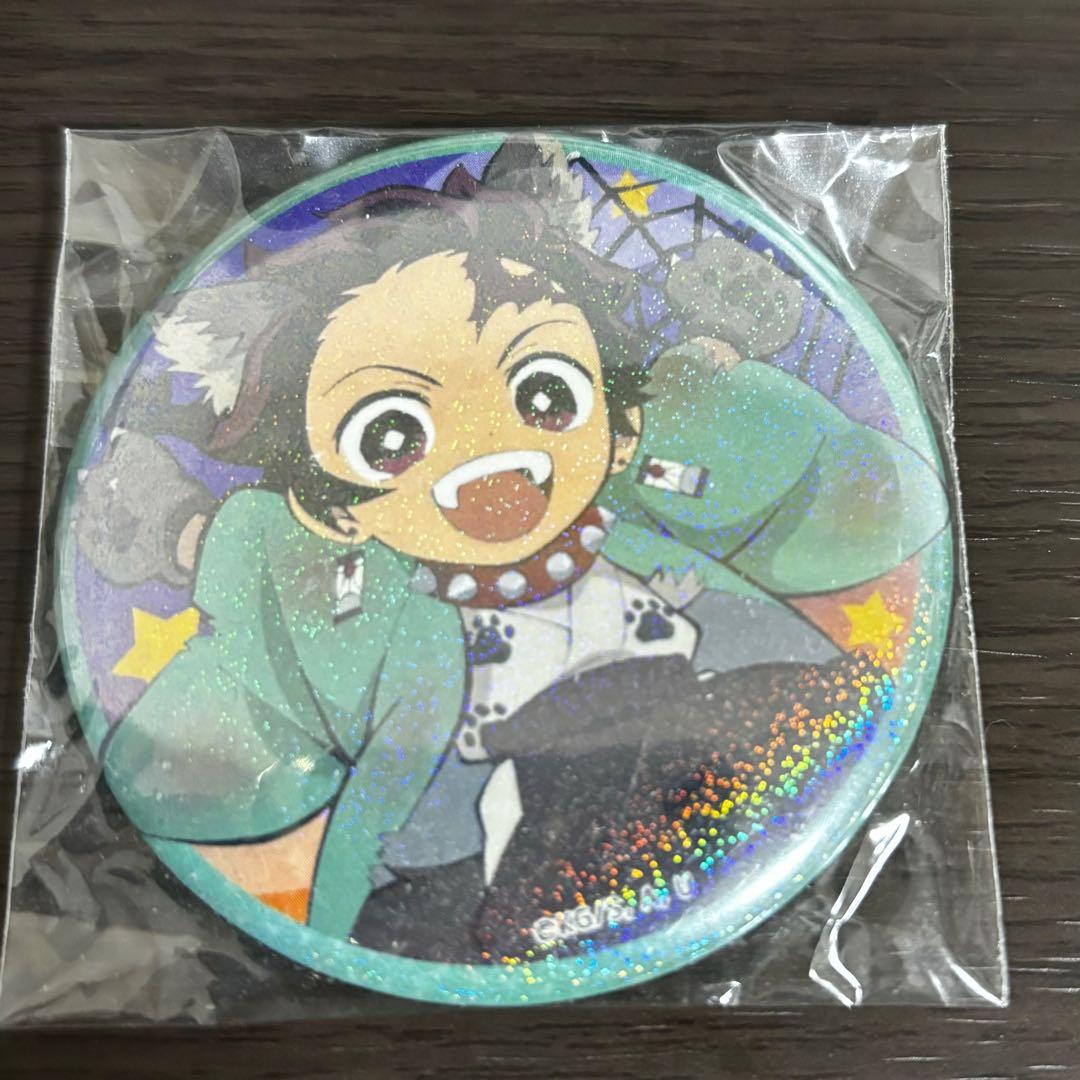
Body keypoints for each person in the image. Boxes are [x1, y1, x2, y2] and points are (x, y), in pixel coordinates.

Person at [78, 137, 948, 961]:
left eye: (545, 392)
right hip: (508, 830)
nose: (493, 463)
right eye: (389, 439)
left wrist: (717, 354)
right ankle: (176, 524)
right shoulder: (360, 610)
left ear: (617, 422)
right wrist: (195, 541)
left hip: (701, 743)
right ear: (334, 510)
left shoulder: (653, 486)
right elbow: (252, 686)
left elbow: (838, 502)